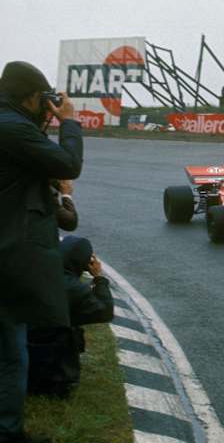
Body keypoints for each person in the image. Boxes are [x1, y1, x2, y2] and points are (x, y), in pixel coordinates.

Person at [0, 61, 83, 443]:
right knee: (11, 355)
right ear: (32, 96)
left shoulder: (11, 122)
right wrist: (68, 121)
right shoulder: (12, 127)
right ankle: (9, 433)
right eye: (42, 98)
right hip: (8, 248)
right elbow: (68, 164)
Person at [27, 237, 113, 399]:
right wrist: (99, 279)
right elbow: (105, 311)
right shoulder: (75, 289)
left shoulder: (35, 271)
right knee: (71, 332)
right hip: (45, 363)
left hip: (19, 348)